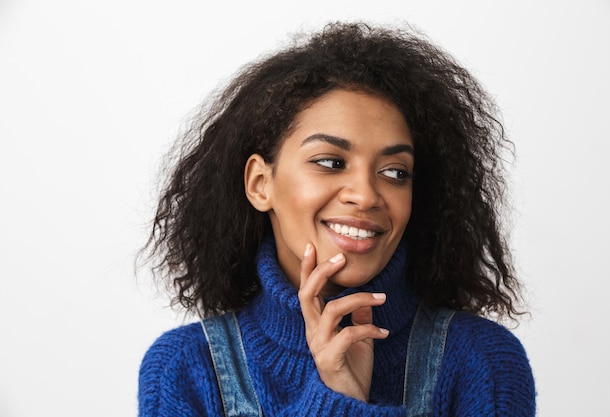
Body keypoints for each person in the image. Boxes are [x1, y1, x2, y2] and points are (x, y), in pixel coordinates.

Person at [138, 22, 535, 416]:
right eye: (330, 162)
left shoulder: (483, 363)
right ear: (261, 184)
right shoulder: (184, 368)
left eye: (395, 172)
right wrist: (338, 400)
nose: (364, 195)